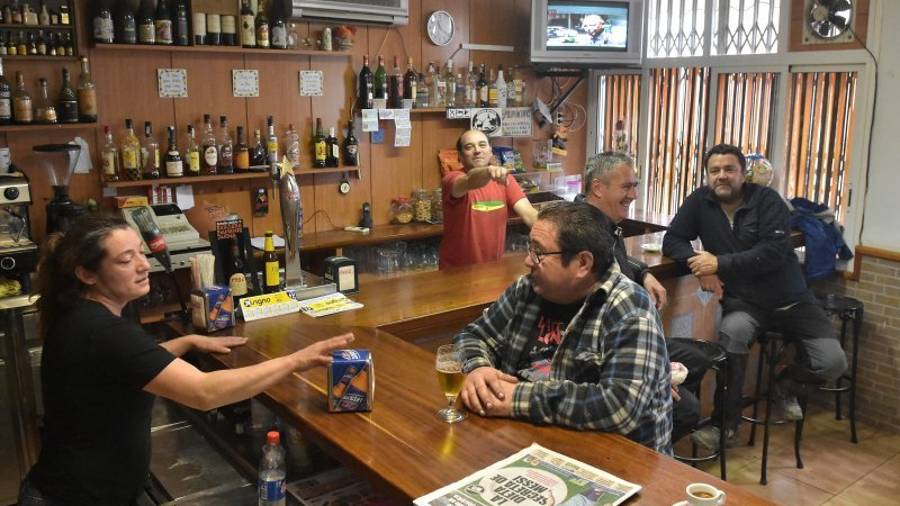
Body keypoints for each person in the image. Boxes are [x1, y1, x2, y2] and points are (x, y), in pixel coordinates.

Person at [20, 214, 354, 506]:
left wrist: (188, 340)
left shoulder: (83, 317)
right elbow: (205, 392)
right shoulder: (101, 330)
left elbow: (130, 365)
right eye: (125, 260)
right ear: (87, 274)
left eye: (141, 251)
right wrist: (296, 360)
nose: (143, 265)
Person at [662, 143, 847, 451]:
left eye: (729, 170)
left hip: (792, 299)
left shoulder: (768, 200)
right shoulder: (700, 201)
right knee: (731, 339)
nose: (722, 176)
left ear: (743, 174)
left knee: (832, 362)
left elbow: (772, 253)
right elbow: (673, 239)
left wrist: (719, 263)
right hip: (745, 304)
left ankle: (783, 386)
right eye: (715, 170)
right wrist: (699, 266)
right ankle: (726, 426)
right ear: (708, 174)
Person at [454, 202, 673, 454]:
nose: (528, 261)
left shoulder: (629, 308)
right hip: (531, 445)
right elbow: (473, 335)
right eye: (529, 248)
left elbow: (619, 407)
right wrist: (479, 368)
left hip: (616, 464)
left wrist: (515, 398)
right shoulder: (527, 290)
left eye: (539, 252)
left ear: (582, 263)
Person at [582, 151, 713, 443]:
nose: (634, 194)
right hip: (604, 351)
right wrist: (651, 380)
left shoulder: (605, 224)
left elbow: (619, 265)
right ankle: (637, 450)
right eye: (626, 187)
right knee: (688, 410)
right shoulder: (582, 232)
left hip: (631, 340)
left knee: (698, 359)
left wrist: (643, 272)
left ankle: (656, 426)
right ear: (598, 188)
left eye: (634, 186)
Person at [439, 129, 538, 269]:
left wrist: (559, 236)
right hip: (456, 272)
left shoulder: (505, 180)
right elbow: (470, 180)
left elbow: (529, 214)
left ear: (490, 151)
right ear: (460, 156)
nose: (477, 150)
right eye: (469, 147)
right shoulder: (452, 179)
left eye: (482, 145)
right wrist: (489, 171)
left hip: (492, 269)